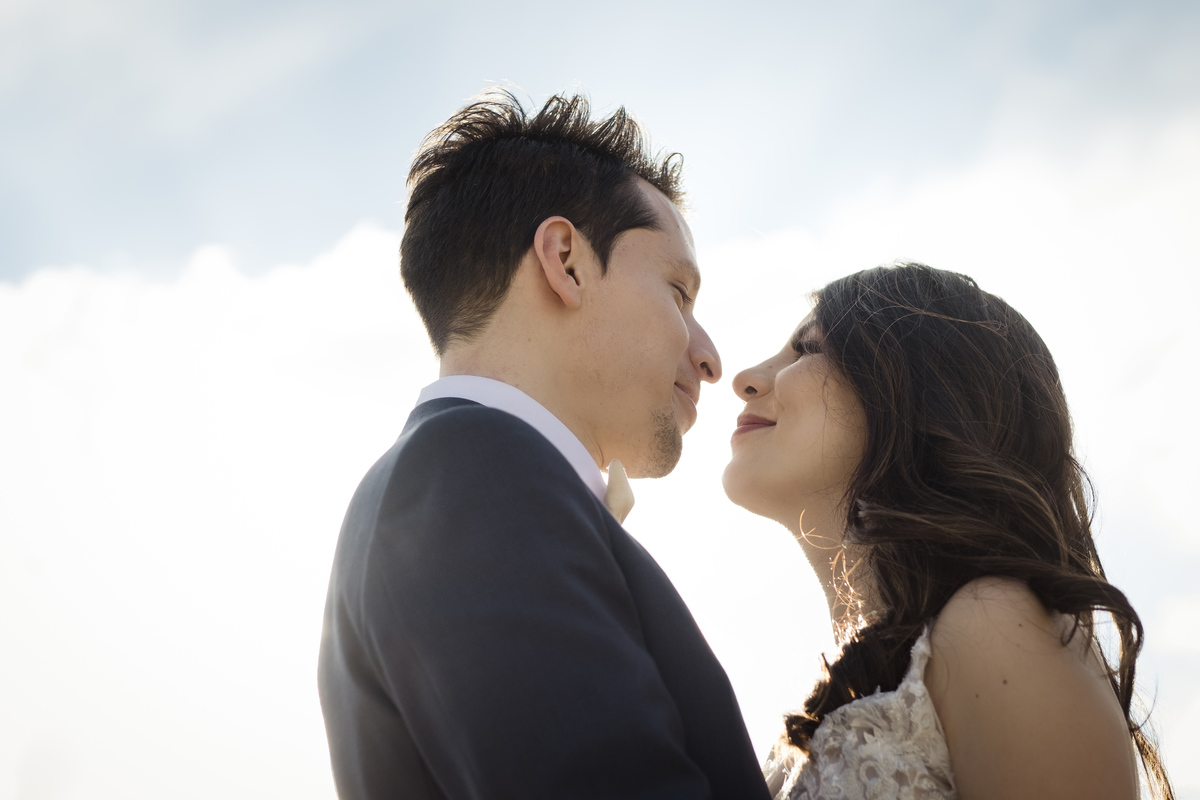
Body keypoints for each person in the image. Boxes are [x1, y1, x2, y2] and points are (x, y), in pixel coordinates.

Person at [317, 90, 771, 800]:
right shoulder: (470, 478)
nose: (710, 358)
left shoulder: (457, 478)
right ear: (565, 261)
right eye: (679, 293)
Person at [723, 263, 1175, 800]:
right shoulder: (833, 693)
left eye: (808, 348)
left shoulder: (997, 622)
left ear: (918, 392)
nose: (745, 378)